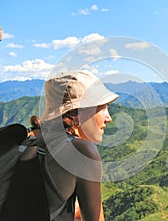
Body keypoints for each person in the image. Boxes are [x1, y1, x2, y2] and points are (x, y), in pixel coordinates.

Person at [40, 70, 119, 221]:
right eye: (103, 107)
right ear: (81, 111)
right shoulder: (81, 150)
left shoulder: (37, 141)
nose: (109, 118)